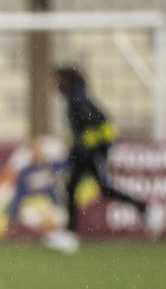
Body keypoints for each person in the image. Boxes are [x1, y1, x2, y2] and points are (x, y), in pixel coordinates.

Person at [44, 65, 158, 253]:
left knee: (104, 188)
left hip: (91, 154)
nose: (55, 85)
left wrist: (96, 147)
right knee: (71, 188)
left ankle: (145, 209)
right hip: (82, 153)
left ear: (67, 80)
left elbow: (103, 125)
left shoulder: (79, 100)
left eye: (58, 80)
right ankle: (68, 235)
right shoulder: (76, 99)